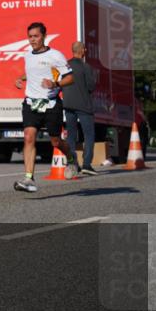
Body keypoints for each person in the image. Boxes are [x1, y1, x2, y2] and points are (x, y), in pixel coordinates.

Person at [13, 22, 76, 192]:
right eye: (30, 37)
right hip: (31, 102)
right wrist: (21, 78)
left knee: (55, 141)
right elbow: (33, 72)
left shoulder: (55, 56)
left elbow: (70, 78)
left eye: (36, 36)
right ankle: (29, 178)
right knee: (28, 136)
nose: (32, 40)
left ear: (44, 36)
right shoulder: (28, 55)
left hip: (51, 104)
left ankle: (70, 158)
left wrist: (54, 83)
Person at [63, 41, 97, 175]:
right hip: (83, 106)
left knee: (71, 135)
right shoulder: (85, 67)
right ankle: (87, 165)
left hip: (68, 104)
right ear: (82, 50)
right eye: (85, 49)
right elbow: (91, 86)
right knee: (88, 135)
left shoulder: (65, 65)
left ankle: (73, 164)